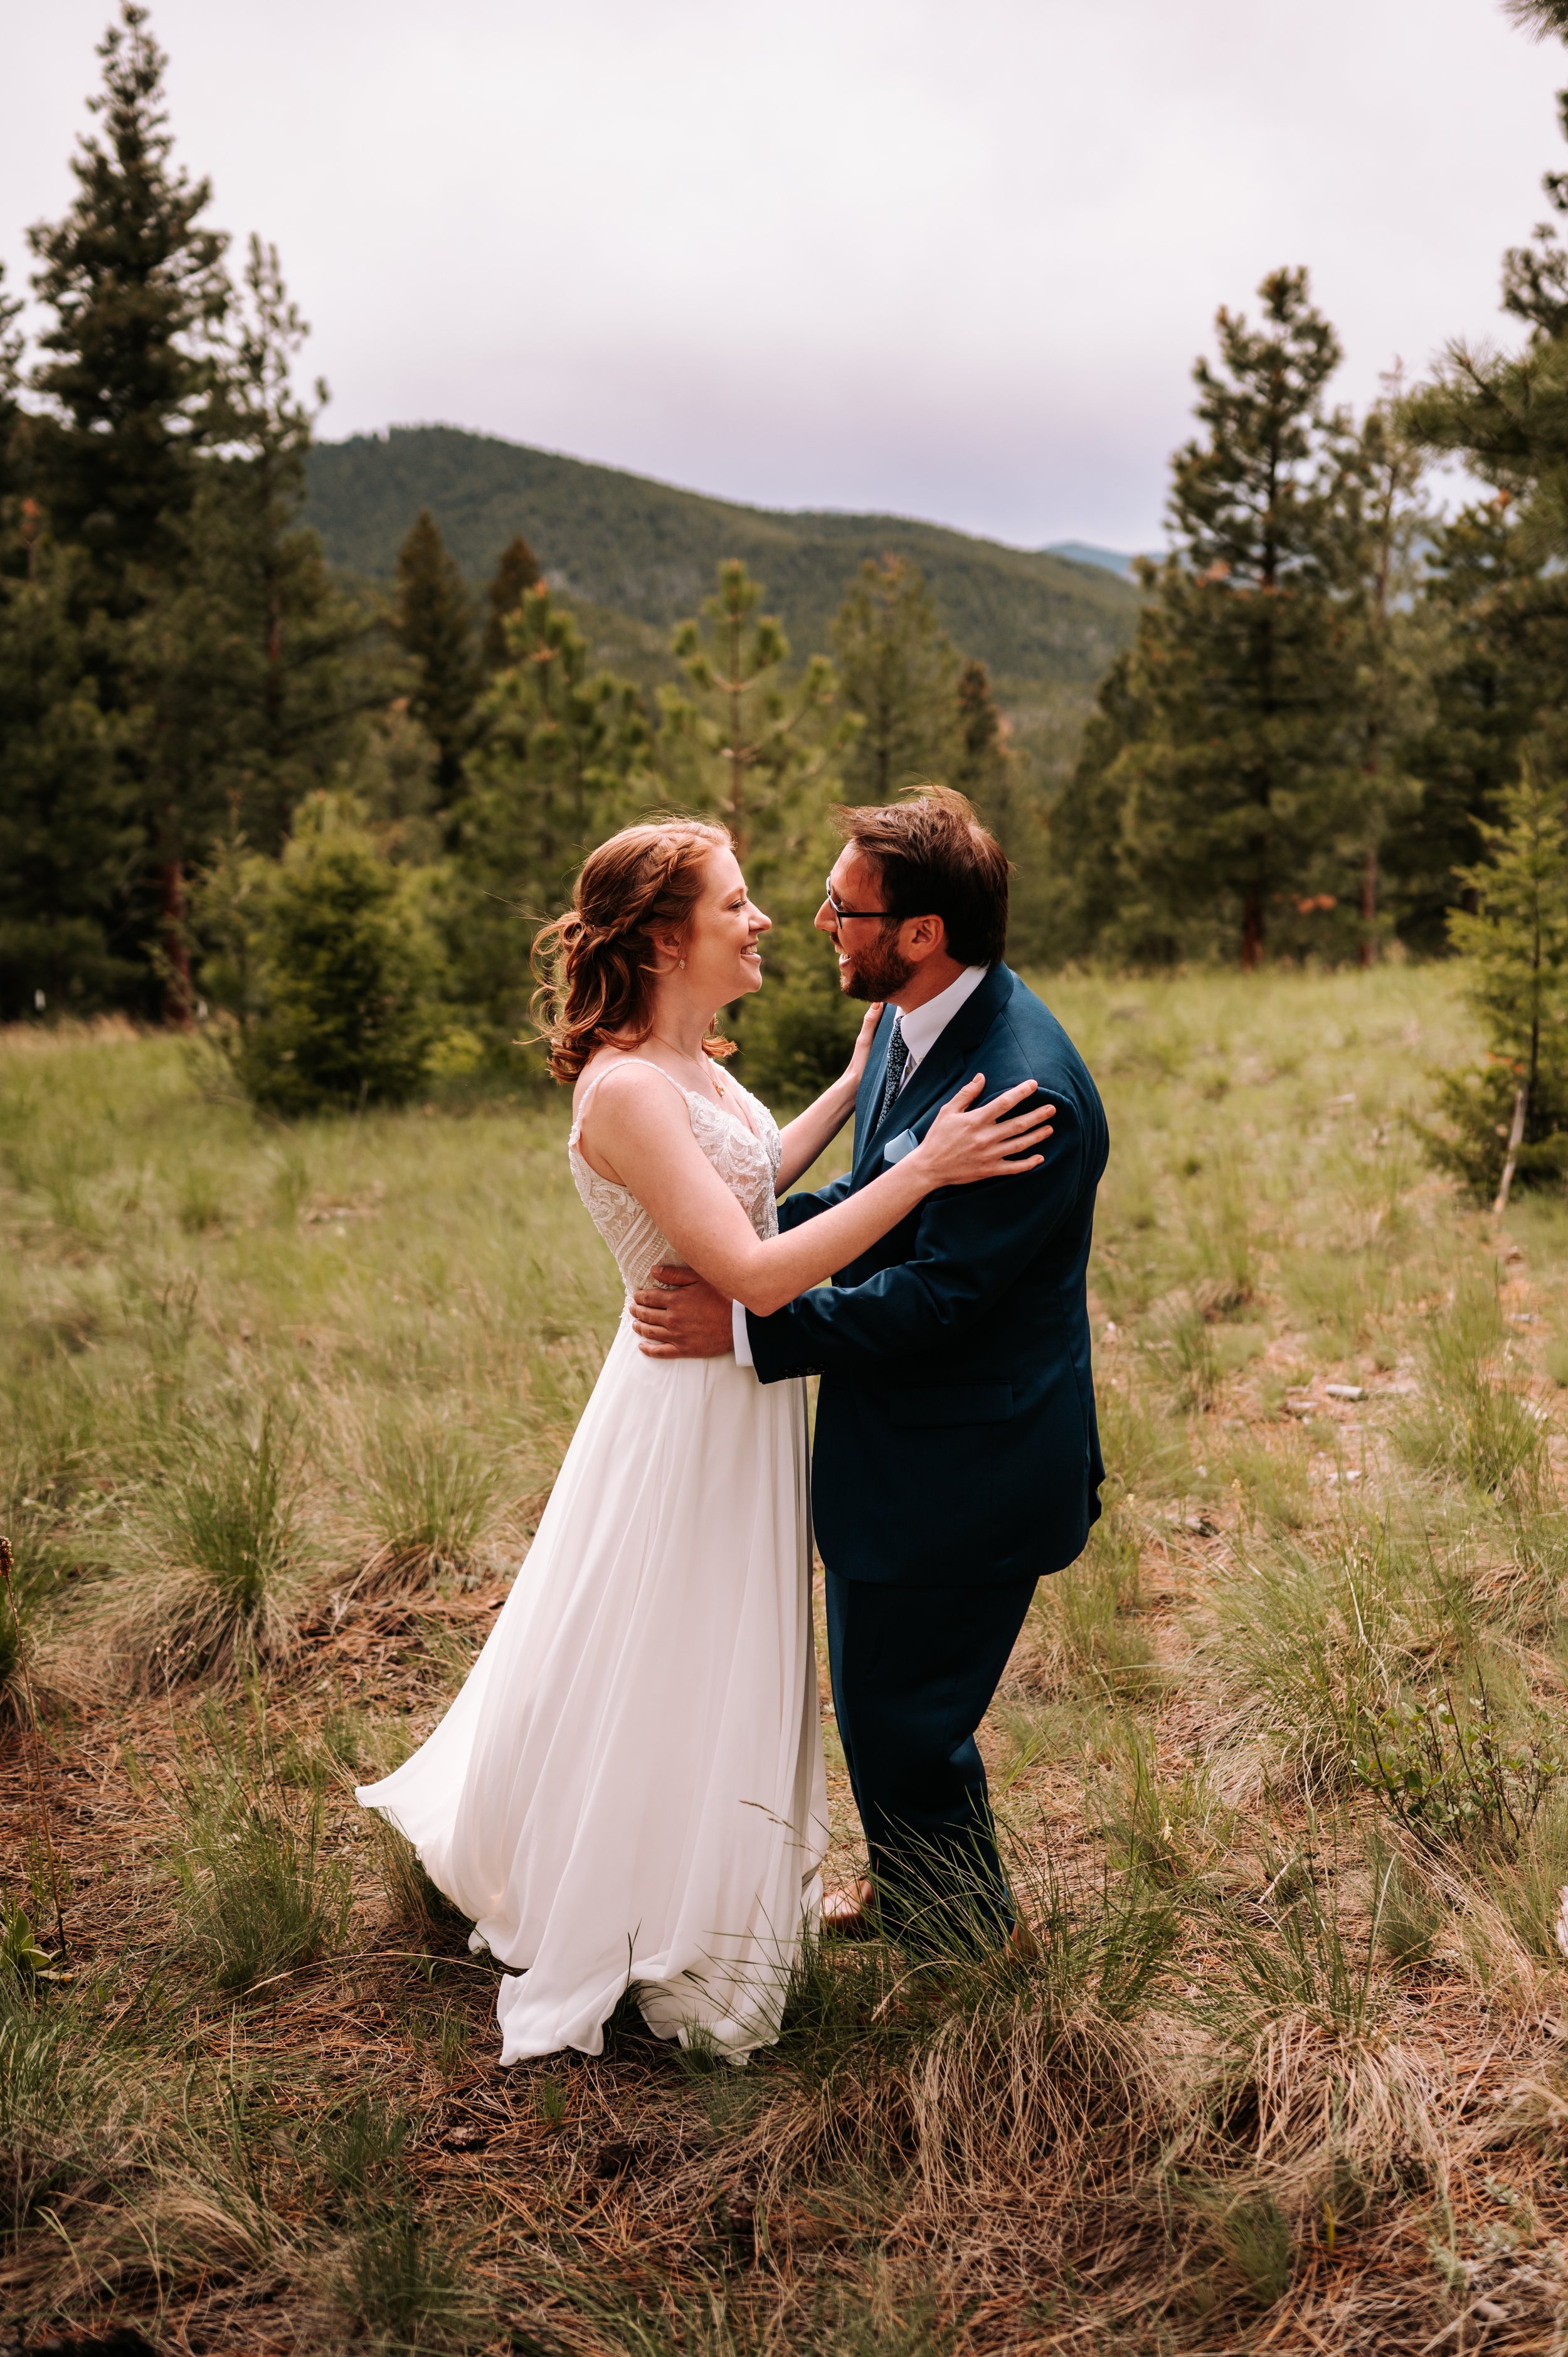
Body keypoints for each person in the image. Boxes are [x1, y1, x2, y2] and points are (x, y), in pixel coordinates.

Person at [356, 817, 1052, 2063]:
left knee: (708, 1639)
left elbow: (751, 1176)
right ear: (670, 937)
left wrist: (855, 1085)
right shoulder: (621, 1086)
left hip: (733, 1393)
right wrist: (925, 1167)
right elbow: (750, 1268)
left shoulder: (686, 1064)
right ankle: (641, 1899)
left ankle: (697, 1871)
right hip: (688, 1404)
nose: (764, 918)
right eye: (737, 902)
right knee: (674, 1643)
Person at [631, 788, 1108, 1954]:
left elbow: (936, 1296)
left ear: (920, 931)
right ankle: (922, 1897)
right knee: (887, 1705)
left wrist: (748, 1327)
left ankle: (968, 1957)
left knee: (908, 1721)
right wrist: (751, 1250)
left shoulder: (1021, 1088)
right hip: (901, 1452)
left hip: (973, 1468)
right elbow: (877, 1195)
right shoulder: (907, 1019)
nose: (819, 921)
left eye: (845, 907)